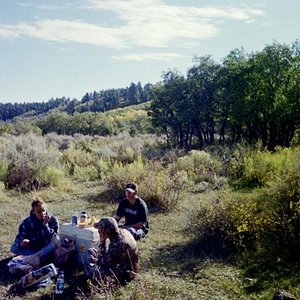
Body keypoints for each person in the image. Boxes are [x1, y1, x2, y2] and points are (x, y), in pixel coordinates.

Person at [83, 217, 138, 286]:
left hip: (126, 273)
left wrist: (102, 241)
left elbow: (104, 264)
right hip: (121, 263)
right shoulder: (122, 231)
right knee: (91, 251)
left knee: (94, 273)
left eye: (100, 229)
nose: (98, 230)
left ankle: (87, 279)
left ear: (104, 231)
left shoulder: (117, 244)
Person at [10, 197, 59, 265]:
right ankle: (36, 257)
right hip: (32, 247)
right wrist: (22, 243)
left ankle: (34, 257)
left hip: (46, 246)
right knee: (13, 248)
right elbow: (20, 236)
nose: (42, 213)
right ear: (33, 212)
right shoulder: (27, 222)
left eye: (43, 210)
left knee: (55, 243)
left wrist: (45, 225)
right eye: (39, 212)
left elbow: (54, 236)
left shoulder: (52, 219)